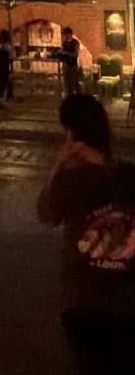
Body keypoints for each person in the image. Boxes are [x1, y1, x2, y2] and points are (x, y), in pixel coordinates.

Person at [37, 94, 135, 372]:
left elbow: (46, 213)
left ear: (71, 134)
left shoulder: (70, 179)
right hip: (126, 297)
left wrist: (57, 166)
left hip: (84, 299)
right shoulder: (128, 173)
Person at [0, 28, 15, 109]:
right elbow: (12, 57)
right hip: (5, 67)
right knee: (7, 84)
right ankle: (5, 101)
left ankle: (0, 101)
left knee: (0, 84)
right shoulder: (8, 47)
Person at [59, 27, 82, 97]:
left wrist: (66, 53)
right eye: (64, 35)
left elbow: (76, 54)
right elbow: (62, 51)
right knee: (67, 85)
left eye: (66, 34)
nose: (65, 36)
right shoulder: (64, 43)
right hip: (66, 66)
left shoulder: (75, 43)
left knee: (74, 85)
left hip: (73, 66)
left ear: (70, 34)